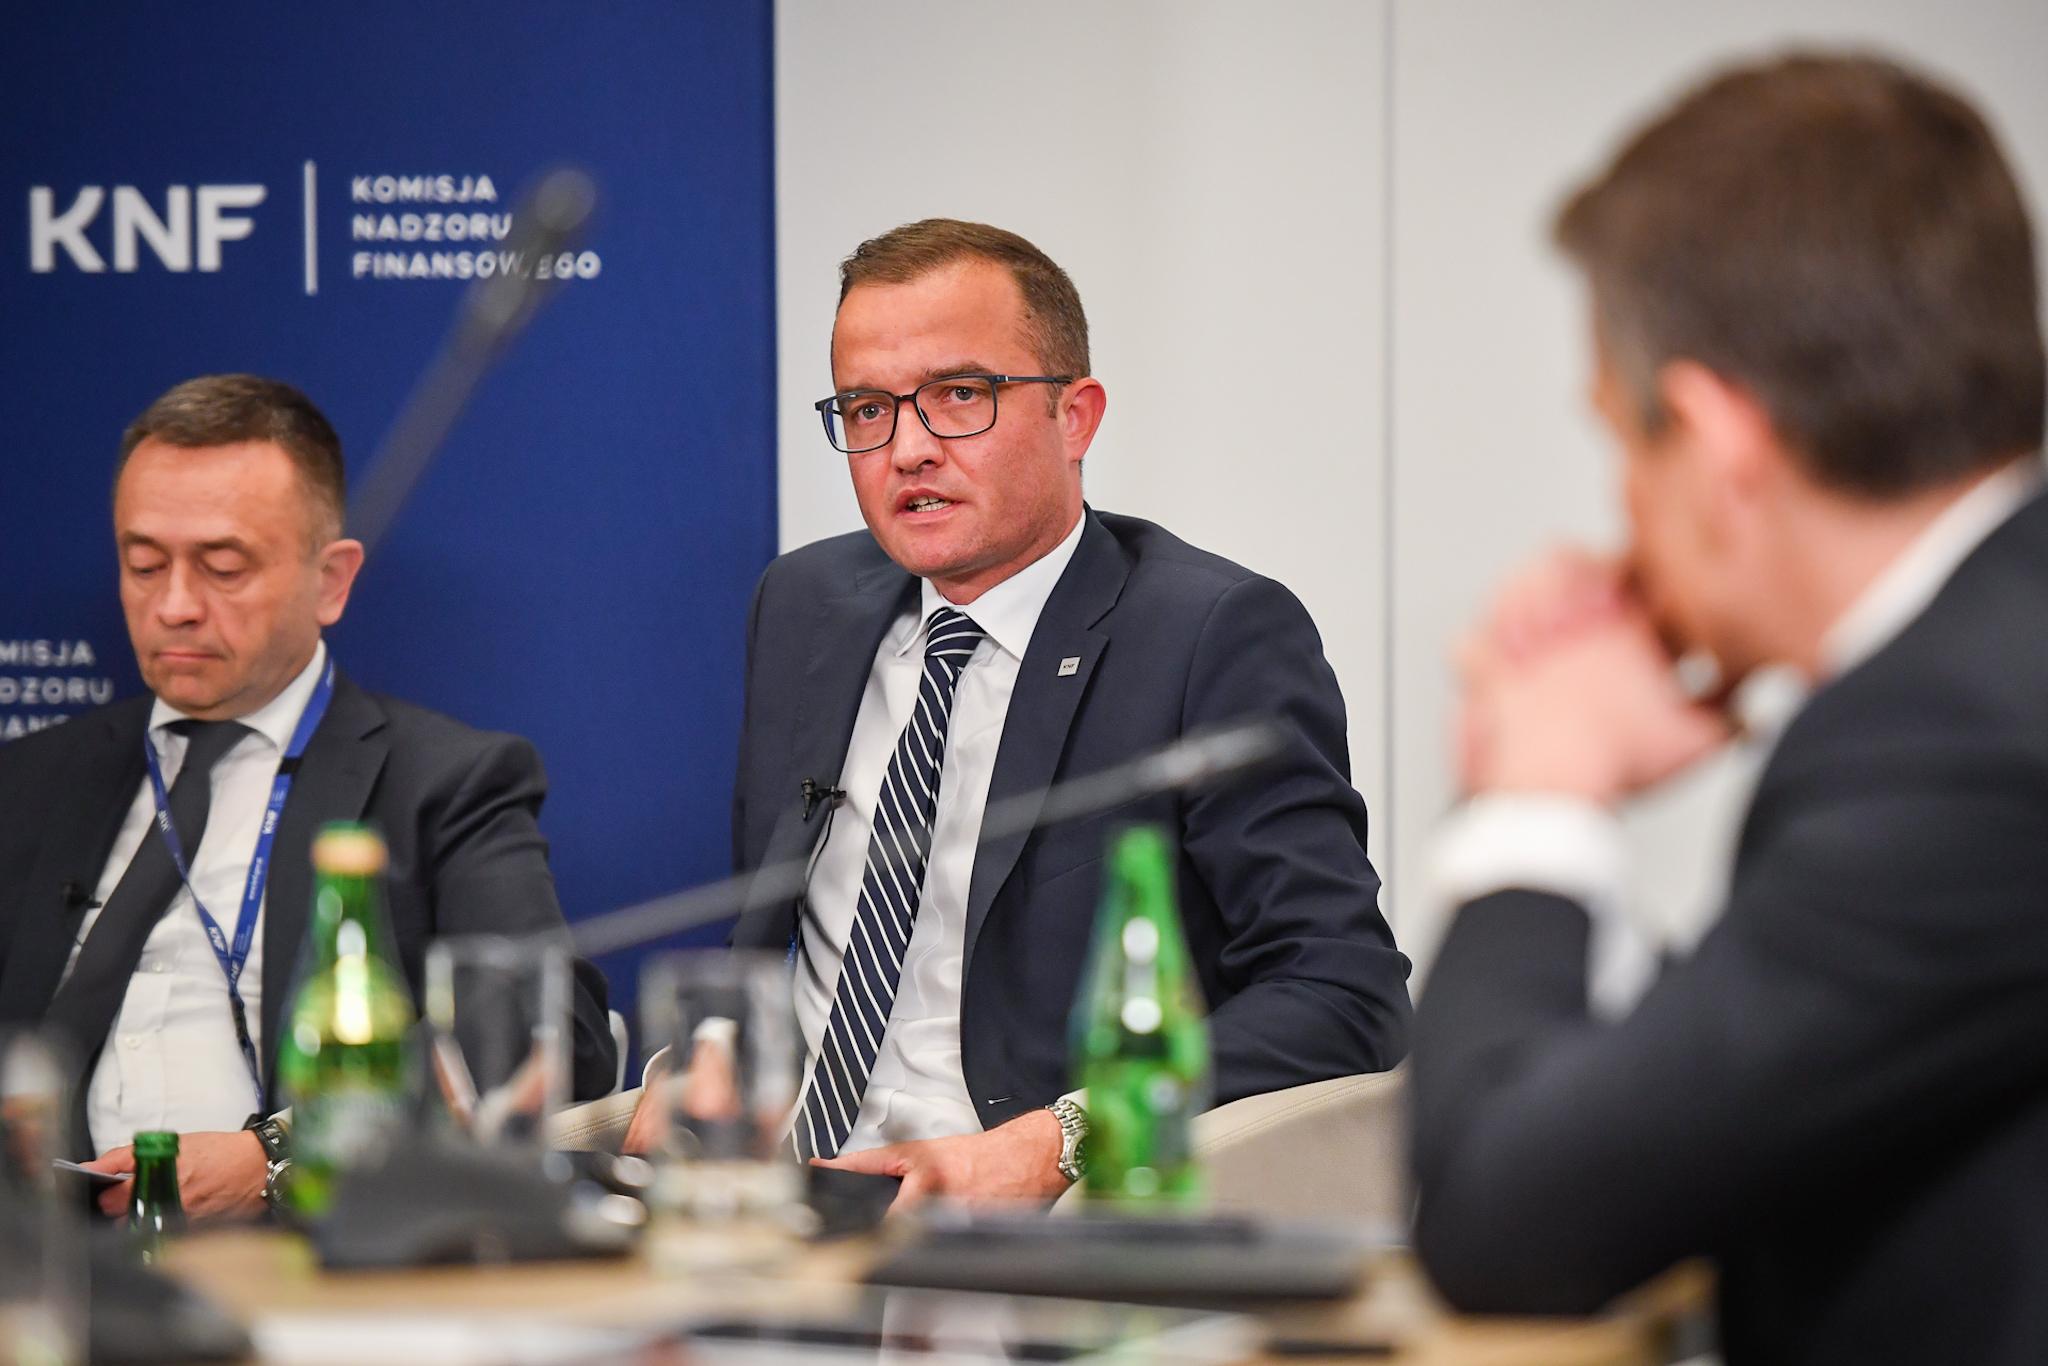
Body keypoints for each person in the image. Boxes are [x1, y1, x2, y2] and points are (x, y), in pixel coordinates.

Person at [1409, 54, 2048, 1365]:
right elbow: (1746, 1073)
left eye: (1620, 439)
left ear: (1713, 443)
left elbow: (1501, 1217)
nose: (1620, 506)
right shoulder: (1980, 671)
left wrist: (1542, 782)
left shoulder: (1964, 745)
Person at [626, 219, 1409, 1202]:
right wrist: (709, 1051)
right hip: (771, 1194)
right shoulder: (802, 605)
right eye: (867, 409)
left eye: (960, 395)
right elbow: (778, 938)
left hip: (1016, 1211)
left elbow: (1342, 993)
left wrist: (1061, 1139)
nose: (908, 449)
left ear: (1074, 417)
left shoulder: (1207, 635)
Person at [0, 374, 617, 1220]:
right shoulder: (32, 780)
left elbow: (554, 1041)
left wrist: (281, 1156)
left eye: (222, 568)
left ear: (331, 580)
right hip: (44, 1250)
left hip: (298, 1249)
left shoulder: (444, 782)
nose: (174, 606)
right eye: (143, 565)